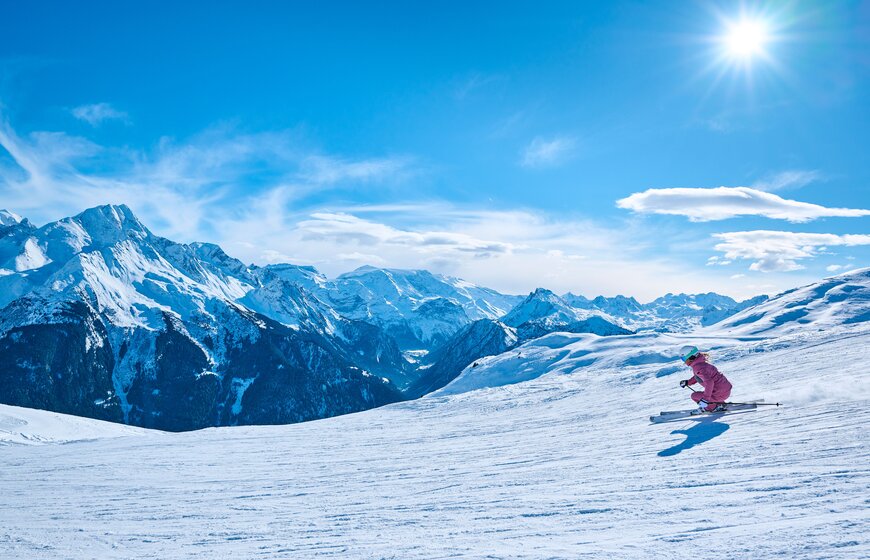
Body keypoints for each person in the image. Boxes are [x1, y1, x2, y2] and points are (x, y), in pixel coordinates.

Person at [678, 346, 732, 413]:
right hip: (724, 390)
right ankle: (719, 404)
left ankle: (712, 408)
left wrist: (705, 400)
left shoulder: (698, 367)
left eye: (684, 358)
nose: (684, 362)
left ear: (691, 357)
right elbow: (698, 376)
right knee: (699, 395)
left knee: (694, 396)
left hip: (719, 393)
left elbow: (709, 382)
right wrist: (688, 382)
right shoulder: (701, 364)